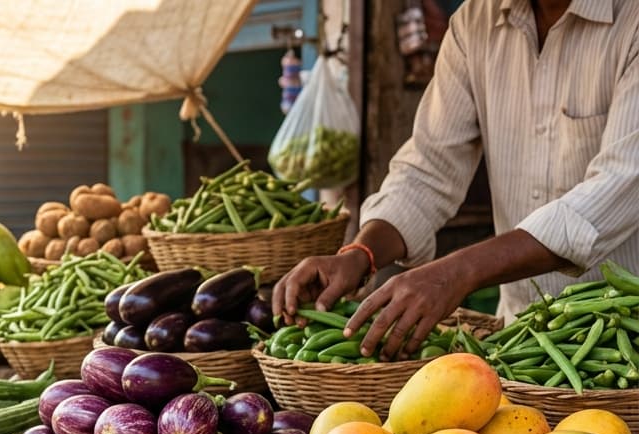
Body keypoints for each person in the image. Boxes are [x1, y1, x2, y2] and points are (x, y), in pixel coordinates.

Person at [272, 0, 639, 360]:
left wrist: (459, 272)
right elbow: (429, 167)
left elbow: (614, 191)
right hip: (521, 340)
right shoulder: (475, 22)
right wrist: (360, 254)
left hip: (626, 340)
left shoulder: (631, 21)